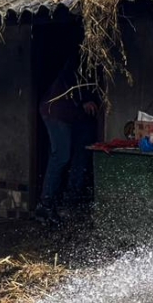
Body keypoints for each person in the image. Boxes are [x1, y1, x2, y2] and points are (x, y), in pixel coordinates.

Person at [34, 56, 101, 224]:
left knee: (79, 152)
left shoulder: (94, 66)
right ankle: (45, 204)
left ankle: (69, 199)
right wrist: (84, 99)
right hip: (57, 112)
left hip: (74, 116)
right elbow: (70, 78)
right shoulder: (78, 62)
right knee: (61, 155)